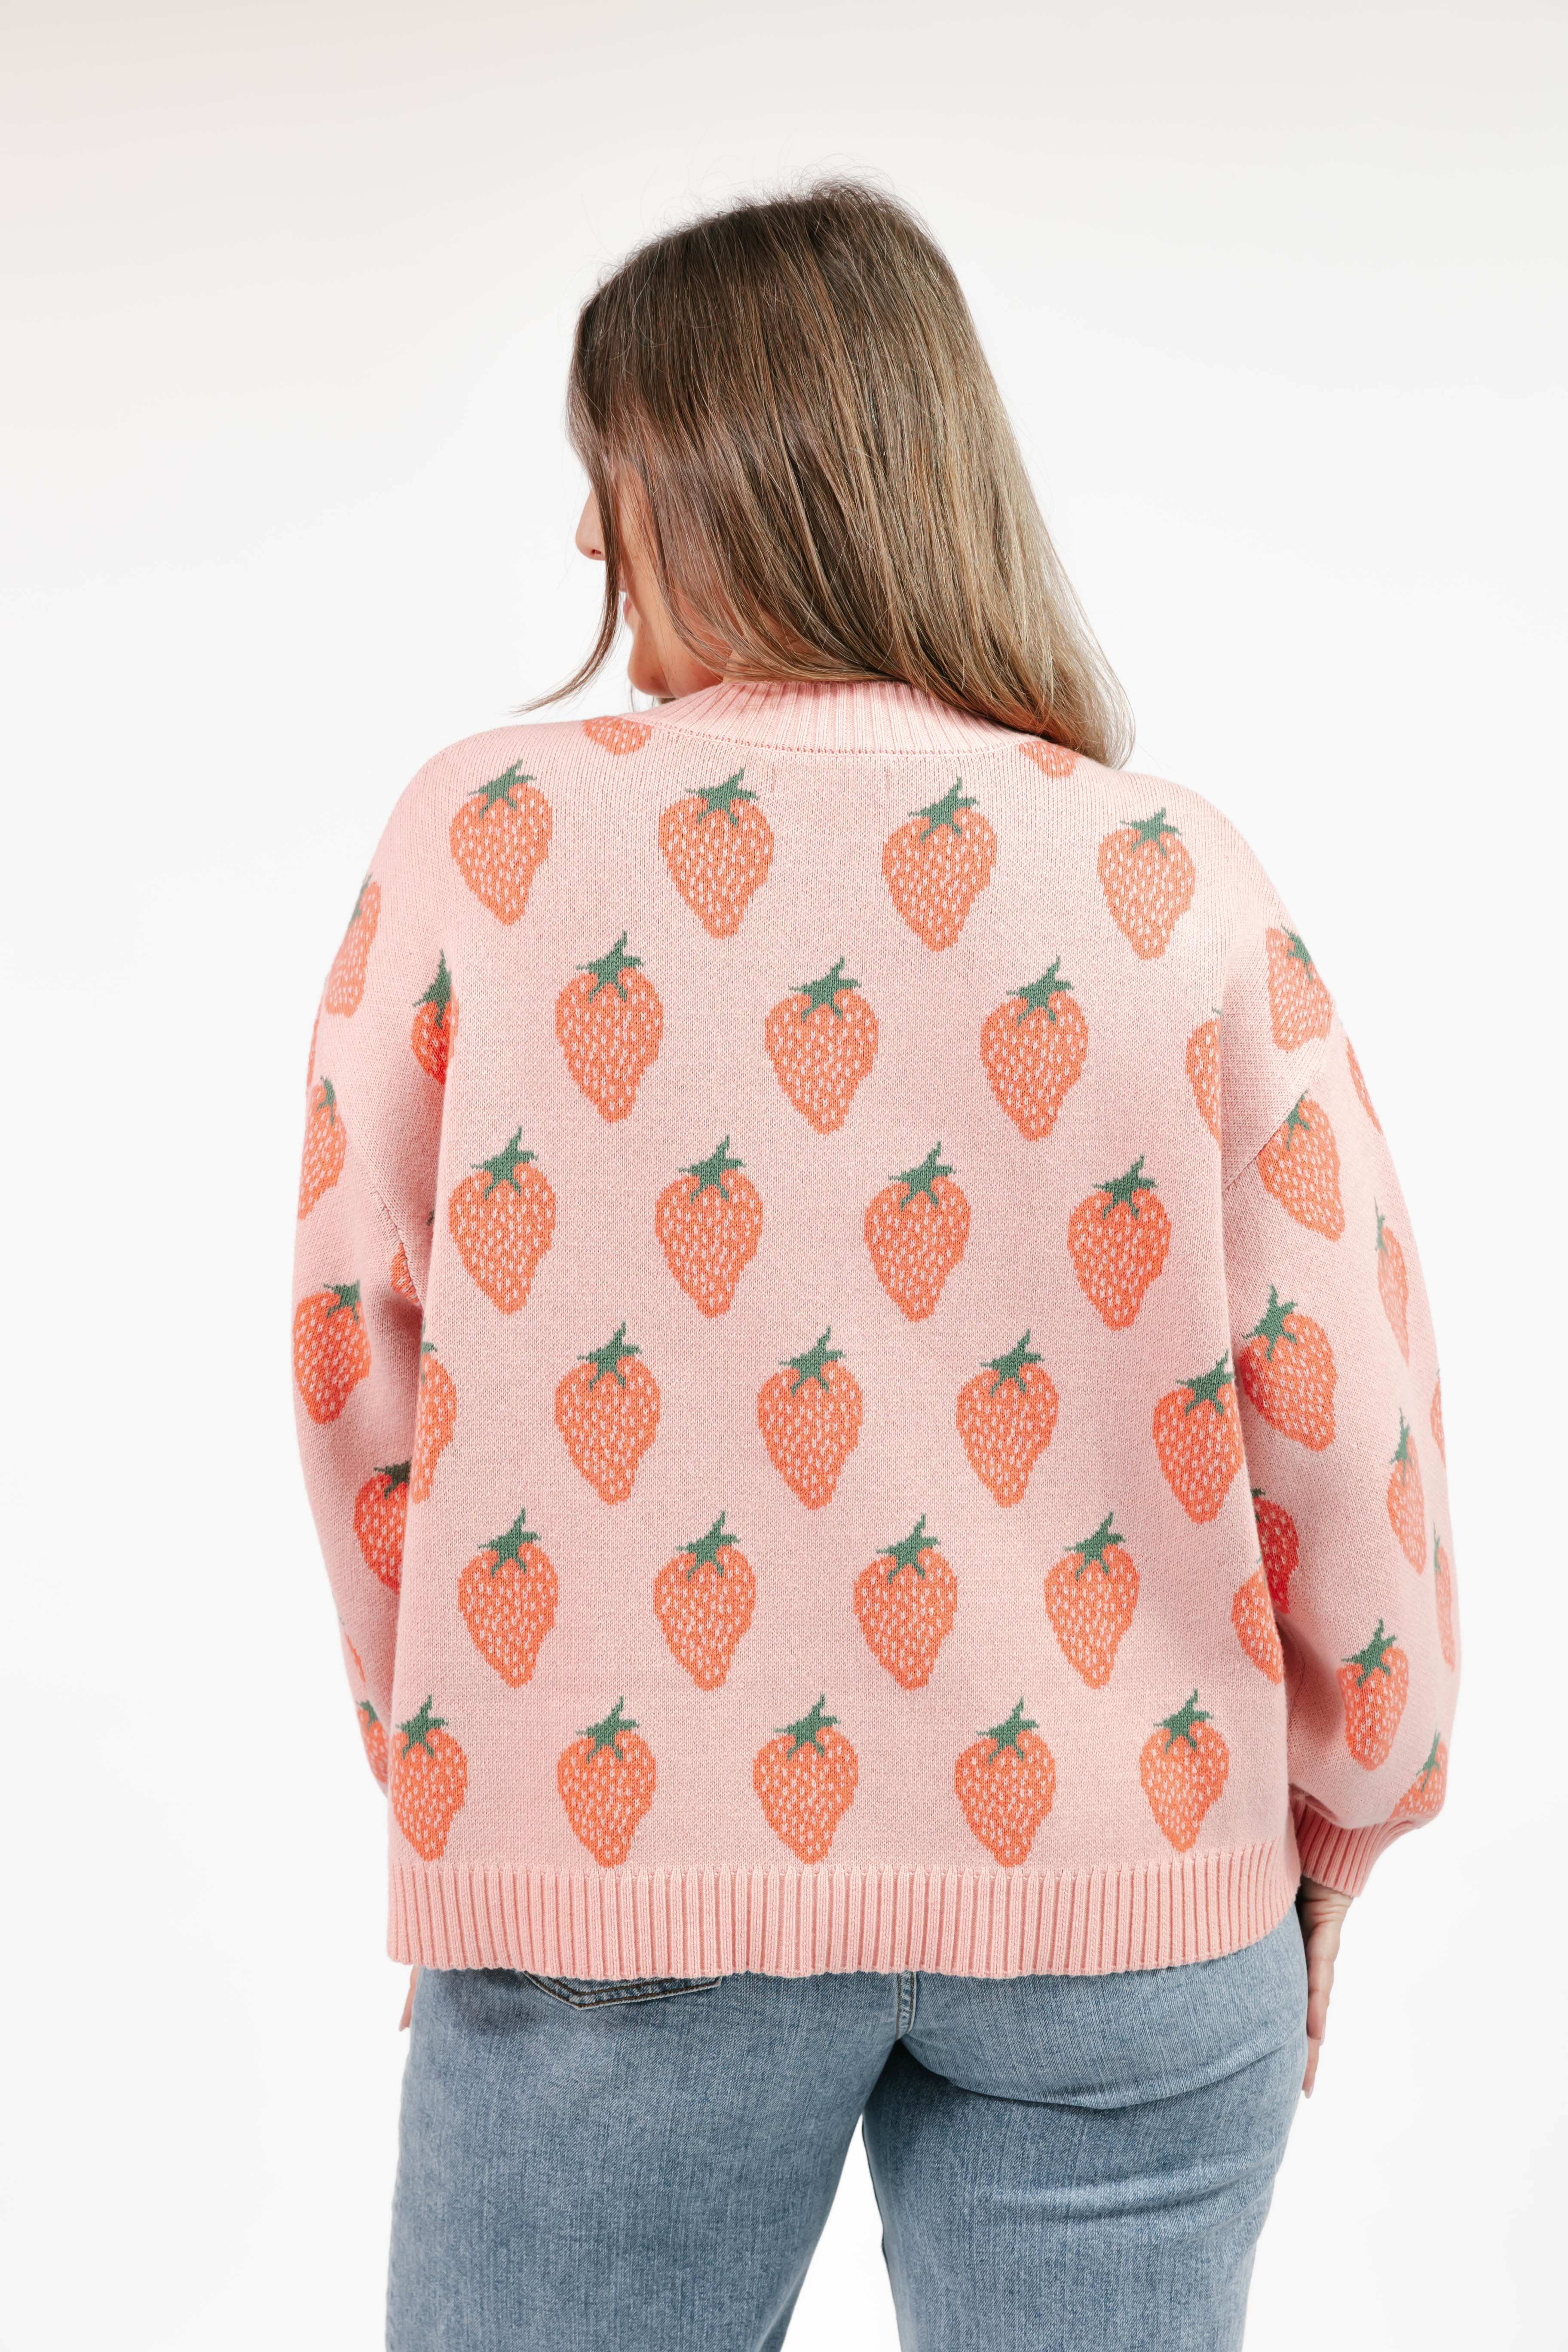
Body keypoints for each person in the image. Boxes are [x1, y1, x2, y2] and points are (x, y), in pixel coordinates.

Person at [291, 181, 1459, 2352]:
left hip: (618, 1868)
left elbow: (356, 1364)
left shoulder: (485, 842)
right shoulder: (1170, 877)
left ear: (720, 474)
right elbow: (1343, 1399)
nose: (584, 533)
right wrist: (1342, 1815)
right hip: (1135, 1881)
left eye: (610, 469)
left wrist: (463, 1772)